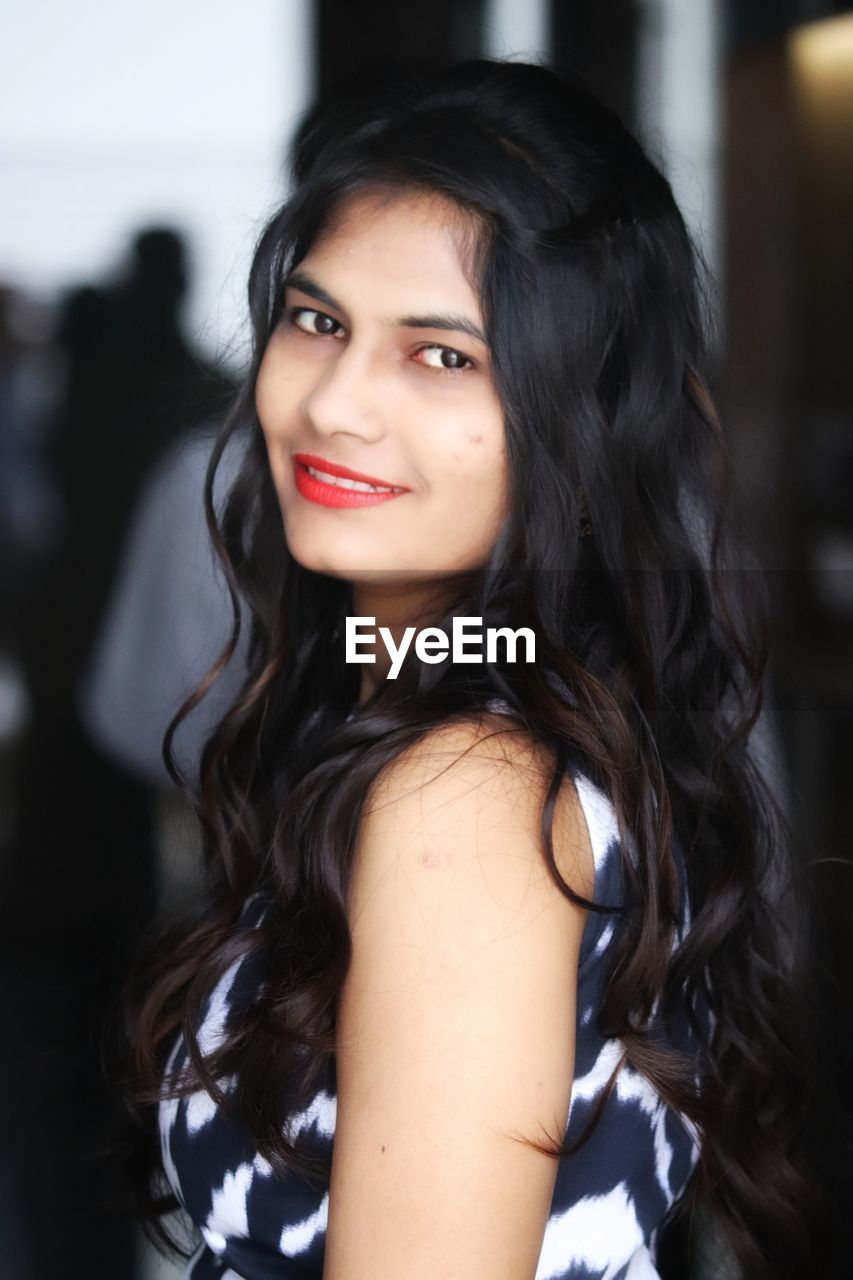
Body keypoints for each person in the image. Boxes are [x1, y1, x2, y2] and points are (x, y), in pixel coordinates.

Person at [115, 59, 821, 1279]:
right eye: (318, 320)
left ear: (574, 417)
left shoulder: (467, 790)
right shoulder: (476, 697)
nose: (336, 402)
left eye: (441, 356)